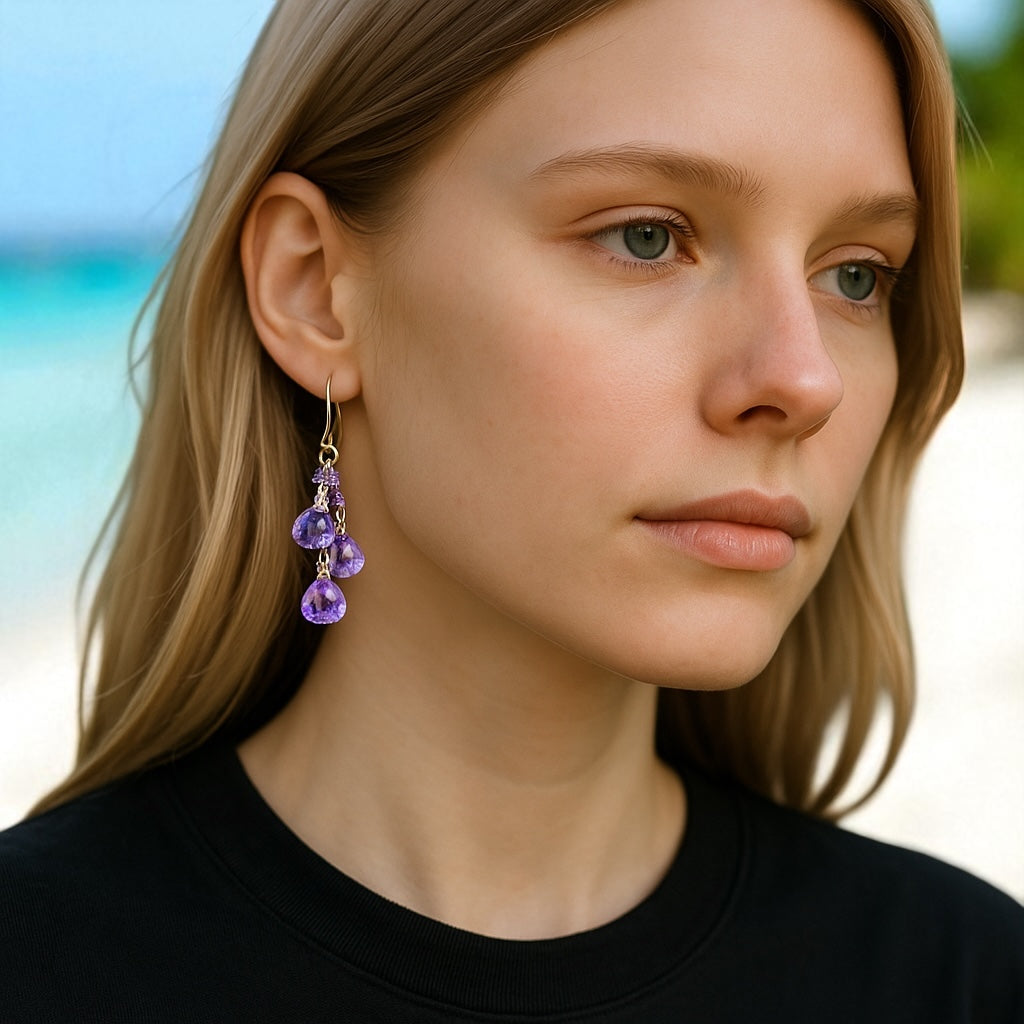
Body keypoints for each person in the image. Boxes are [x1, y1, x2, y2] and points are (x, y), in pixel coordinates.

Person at [1, 0, 1022, 1019]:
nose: (804, 379)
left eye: (855, 275)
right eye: (645, 236)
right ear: (313, 289)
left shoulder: (962, 982)